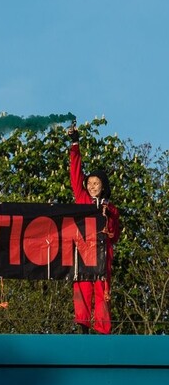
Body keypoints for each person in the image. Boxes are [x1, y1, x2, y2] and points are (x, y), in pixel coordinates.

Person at [67, 123, 121, 334]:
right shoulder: (82, 200)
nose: (91, 186)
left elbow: (114, 235)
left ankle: (102, 330)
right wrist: (74, 144)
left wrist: (109, 218)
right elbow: (75, 174)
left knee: (102, 292)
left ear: (103, 186)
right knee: (81, 287)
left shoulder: (110, 208)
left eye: (96, 183)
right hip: (82, 253)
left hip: (101, 255)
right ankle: (82, 325)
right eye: (89, 183)